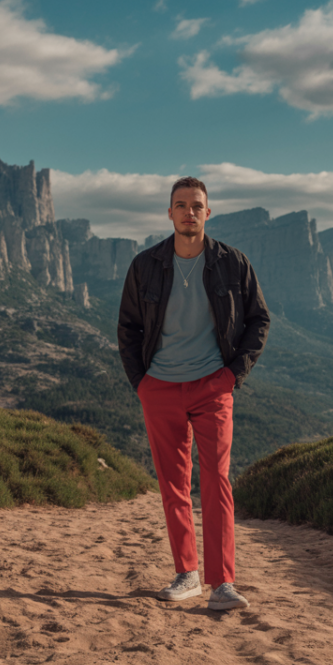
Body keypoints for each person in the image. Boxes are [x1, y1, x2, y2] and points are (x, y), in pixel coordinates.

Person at [117, 176, 271, 611]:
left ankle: (222, 583)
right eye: (180, 205)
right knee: (173, 484)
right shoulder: (145, 265)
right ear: (169, 213)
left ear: (208, 212)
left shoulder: (231, 263)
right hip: (160, 389)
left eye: (196, 205)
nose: (189, 212)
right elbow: (128, 328)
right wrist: (141, 384)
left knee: (217, 481)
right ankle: (187, 575)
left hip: (213, 387)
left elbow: (259, 320)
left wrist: (231, 376)